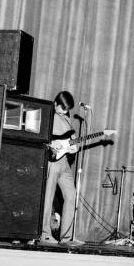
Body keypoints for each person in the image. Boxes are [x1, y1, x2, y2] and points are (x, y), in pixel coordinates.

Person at [41, 91, 78, 243]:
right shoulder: (48, 114)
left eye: (67, 109)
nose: (64, 111)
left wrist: (75, 147)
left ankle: (66, 237)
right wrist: (50, 142)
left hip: (65, 163)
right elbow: (40, 134)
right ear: (56, 103)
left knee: (71, 195)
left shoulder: (67, 119)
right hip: (53, 161)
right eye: (62, 108)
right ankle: (44, 234)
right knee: (48, 197)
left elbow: (73, 138)